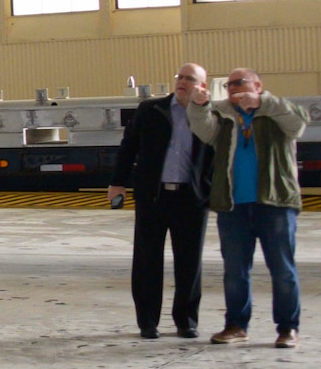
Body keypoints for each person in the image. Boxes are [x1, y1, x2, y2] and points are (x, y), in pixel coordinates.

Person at [190, 69, 306, 348]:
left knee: (282, 269)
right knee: (235, 270)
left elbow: (299, 123)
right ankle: (236, 325)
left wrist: (262, 102)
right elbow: (203, 129)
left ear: (257, 85)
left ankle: (288, 328)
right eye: (228, 84)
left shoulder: (277, 113)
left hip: (275, 203)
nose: (232, 88)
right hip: (233, 206)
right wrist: (199, 105)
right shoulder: (225, 117)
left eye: (239, 83)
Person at [108, 64, 215, 338]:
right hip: (153, 197)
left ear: (202, 86)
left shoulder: (210, 115)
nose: (182, 81)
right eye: (179, 77)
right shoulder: (151, 110)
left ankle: (186, 321)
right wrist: (117, 182)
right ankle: (147, 321)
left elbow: (219, 155)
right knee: (147, 261)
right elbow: (128, 146)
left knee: (189, 262)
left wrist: (210, 190)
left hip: (190, 199)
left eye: (190, 79)